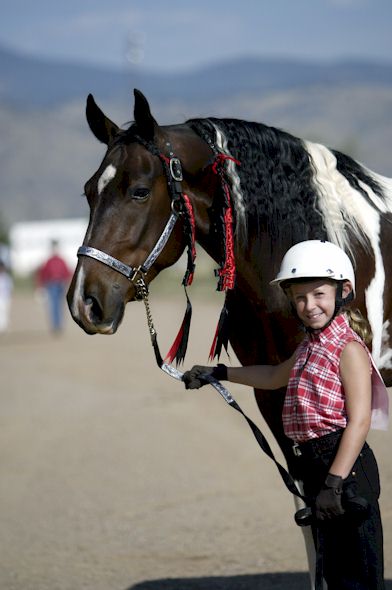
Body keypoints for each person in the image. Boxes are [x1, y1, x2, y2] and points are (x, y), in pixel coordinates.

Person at [183, 240, 388, 590]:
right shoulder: (309, 346)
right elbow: (276, 376)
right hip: (317, 468)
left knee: (358, 576)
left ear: (343, 292)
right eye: (300, 298)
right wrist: (219, 373)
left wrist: (334, 484)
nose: (309, 306)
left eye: (319, 294)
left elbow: (360, 421)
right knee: (334, 571)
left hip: (344, 469)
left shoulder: (348, 349)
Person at [37, 239, 71, 333]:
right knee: (54, 305)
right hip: (52, 285)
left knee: (60, 305)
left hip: (61, 284)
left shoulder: (61, 260)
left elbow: (67, 272)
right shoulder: (49, 261)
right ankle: (56, 325)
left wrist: (67, 282)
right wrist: (41, 286)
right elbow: (43, 273)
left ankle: (59, 324)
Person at [0, 259, 13, 332]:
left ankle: (4, 326)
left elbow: (10, 287)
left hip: (5, 297)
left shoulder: (7, 277)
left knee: (5, 311)